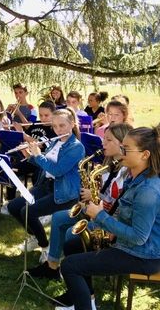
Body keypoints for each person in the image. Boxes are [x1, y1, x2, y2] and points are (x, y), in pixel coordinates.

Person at [60, 125, 160, 310]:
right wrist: (110, 229)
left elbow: (139, 237)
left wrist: (100, 216)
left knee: (69, 266)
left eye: (126, 148)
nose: (121, 151)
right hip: (132, 247)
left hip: (143, 256)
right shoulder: (134, 177)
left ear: (145, 155)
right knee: (73, 244)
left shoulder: (148, 191)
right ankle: (86, 300)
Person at [27, 123, 132, 280]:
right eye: (104, 138)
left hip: (111, 220)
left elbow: (119, 203)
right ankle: (52, 266)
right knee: (58, 217)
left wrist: (95, 196)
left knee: (72, 233)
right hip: (98, 211)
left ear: (123, 143)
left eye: (108, 140)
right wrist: (90, 198)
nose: (103, 143)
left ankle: (79, 275)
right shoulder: (108, 164)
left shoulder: (128, 170)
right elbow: (105, 193)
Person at [7, 108, 84, 254]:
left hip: (63, 191)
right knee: (13, 207)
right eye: (55, 126)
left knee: (27, 212)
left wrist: (38, 156)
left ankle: (45, 246)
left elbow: (57, 170)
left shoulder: (76, 147)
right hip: (46, 186)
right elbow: (46, 165)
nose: (58, 130)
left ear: (72, 124)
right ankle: (37, 236)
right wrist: (29, 155)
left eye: (62, 126)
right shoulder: (55, 143)